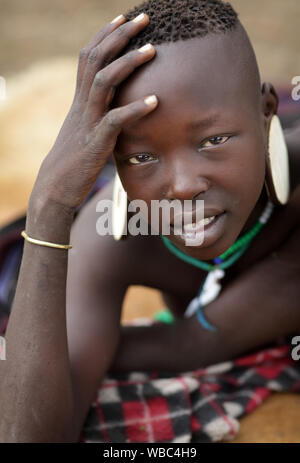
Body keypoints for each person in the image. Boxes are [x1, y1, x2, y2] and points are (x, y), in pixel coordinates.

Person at [0, 0, 300, 443]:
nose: (180, 187)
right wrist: (51, 203)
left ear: (266, 109)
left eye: (213, 139)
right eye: (141, 156)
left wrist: (71, 351)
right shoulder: (109, 236)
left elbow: (195, 346)